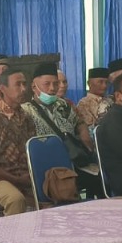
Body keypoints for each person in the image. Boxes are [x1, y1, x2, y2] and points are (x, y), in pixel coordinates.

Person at [22, 61, 101, 198]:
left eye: (56, 84)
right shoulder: (25, 111)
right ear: (34, 86)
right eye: (47, 84)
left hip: (74, 159)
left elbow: (79, 122)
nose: (53, 88)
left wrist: (85, 135)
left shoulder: (63, 104)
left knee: (103, 176)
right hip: (49, 166)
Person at [0, 69, 35, 206]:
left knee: (57, 191)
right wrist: (17, 180)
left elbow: (32, 152)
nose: (24, 89)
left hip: (24, 177)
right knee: (15, 199)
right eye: (18, 84)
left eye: (25, 84)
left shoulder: (26, 117)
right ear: (3, 88)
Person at [75, 67, 112, 131]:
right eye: (100, 82)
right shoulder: (84, 104)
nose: (104, 86)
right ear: (89, 83)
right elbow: (89, 129)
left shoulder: (111, 99)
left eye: (107, 82)